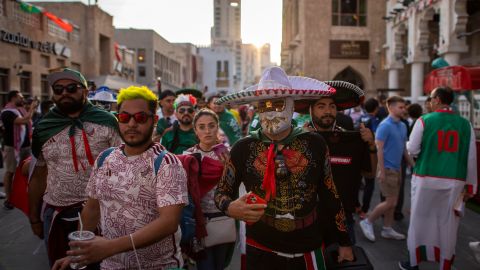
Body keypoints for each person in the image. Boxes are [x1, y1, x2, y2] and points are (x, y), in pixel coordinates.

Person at [214, 67, 353, 270]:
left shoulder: (315, 143)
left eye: (278, 104)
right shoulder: (243, 147)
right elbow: (222, 192)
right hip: (260, 245)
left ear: (291, 105)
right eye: (264, 105)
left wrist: (344, 241)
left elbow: (330, 194)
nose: (270, 111)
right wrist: (230, 207)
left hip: (308, 244)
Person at [52, 86, 188, 270]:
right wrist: (78, 253)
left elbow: (168, 223)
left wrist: (109, 247)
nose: (132, 124)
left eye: (140, 117)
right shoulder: (105, 158)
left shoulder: (166, 163)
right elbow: (92, 210)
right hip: (110, 266)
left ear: (154, 120)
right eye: (125, 117)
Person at [28, 68, 121, 266]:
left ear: (85, 91)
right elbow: (38, 174)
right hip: (56, 213)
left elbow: (122, 169)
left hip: (101, 213)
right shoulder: (44, 127)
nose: (64, 93)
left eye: (71, 88)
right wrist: (34, 218)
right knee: (60, 265)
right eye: (58, 89)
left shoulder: (107, 122)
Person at [399, 87, 477, 270]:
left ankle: (413, 262)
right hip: (454, 181)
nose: (429, 102)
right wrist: (471, 186)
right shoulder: (465, 124)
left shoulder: (424, 120)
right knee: (448, 224)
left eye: (431, 98)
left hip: (426, 177)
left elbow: (413, 149)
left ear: (438, 100)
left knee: (419, 219)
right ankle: (445, 264)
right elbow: (471, 157)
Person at [307, 81, 377, 245]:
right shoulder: (301, 139)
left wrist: (371, 146)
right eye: (321, 106)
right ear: (311, 110)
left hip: (343, 219)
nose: (328, 111)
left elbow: (370, 173)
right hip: (309, 219)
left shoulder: (350, 138)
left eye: (332, 106)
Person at [184, 108, 235, 270]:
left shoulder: (227, 154)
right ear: (195, 130)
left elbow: (234, 185)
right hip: (200, 223)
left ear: (217, 127)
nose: (207, 131)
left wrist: (229, 167)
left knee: (220, 265)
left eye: (211, 125)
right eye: (202, 126)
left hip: (224, 218)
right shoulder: (188, 156)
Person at [359, 96, 414, 242]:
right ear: (391, 108)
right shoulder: (385, 125)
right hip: (387, 169)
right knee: (390, 202)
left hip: (398, 170)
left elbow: (404, 149)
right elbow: (379, 150)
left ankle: (387, 229)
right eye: (400, 107)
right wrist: (381, 171)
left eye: (404, 107)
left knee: (393, 203)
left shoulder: (402, 126)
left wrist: (413, 165)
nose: (404, 110)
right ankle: (367, 221)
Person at [0, 90, 37, 209]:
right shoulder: (7, 112)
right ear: (13, 98)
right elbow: (24, 121)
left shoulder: (20, 110)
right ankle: (8, 199)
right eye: (20, 97)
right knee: (10, 172)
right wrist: (31, 108)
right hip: (12, 147)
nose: (22, 99)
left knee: (27, 171)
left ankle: (23, 195)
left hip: (25, 146)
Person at [359, 98, 380, 217]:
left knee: (357, 182)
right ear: (376, 108)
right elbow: (377, 136)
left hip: (359, 153)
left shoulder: (360, 118)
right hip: (370, 154)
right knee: (369, 183)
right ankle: (365, 210)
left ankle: (357, 206)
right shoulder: (374, 120)